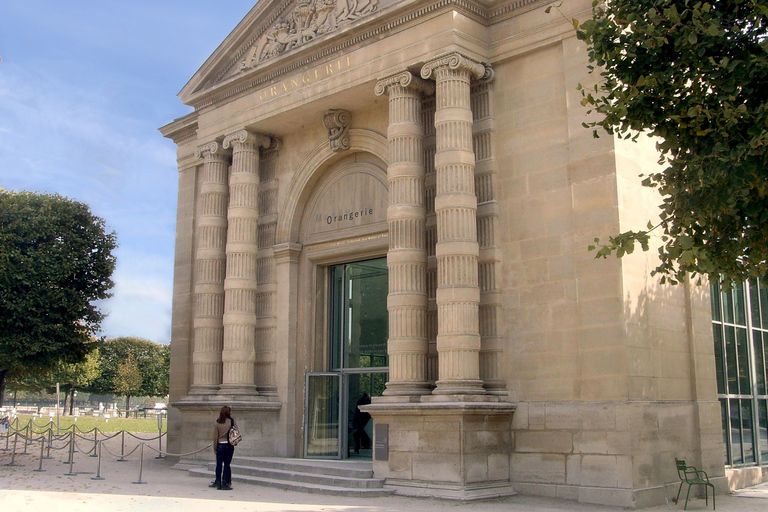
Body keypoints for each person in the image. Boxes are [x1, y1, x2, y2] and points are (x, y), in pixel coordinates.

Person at [210, 405, 235, 490]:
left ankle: (218, 482)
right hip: (229, 445)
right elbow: (236, 432)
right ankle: (225, 483)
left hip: (220, 444)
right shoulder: (231, 422)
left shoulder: (218, 422)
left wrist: (215, 447)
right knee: (227, 465)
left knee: (219, 465)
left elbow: (215, 437)